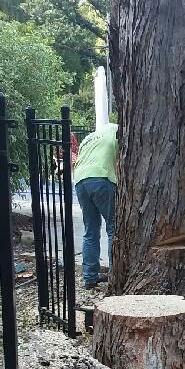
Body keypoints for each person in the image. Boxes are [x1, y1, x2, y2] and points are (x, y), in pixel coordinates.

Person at [73, 123, 118, 290]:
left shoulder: (88, 138)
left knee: (90, 230)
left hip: (80, 181)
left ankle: (90, 277)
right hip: (101, 178)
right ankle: (115, 274)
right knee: (114, 228)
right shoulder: (117, 132)